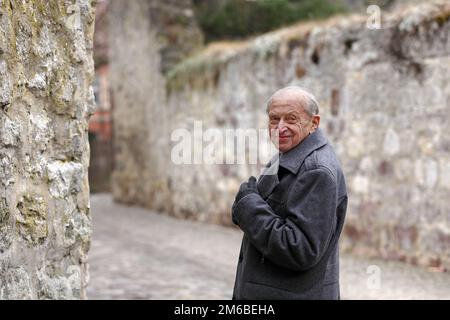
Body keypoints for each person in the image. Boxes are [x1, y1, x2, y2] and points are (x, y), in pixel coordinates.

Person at [231, 86, 348, 300]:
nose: (280, 127)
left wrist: (248, 207)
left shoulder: (316, 170)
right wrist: (248, 205)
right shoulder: (290, 153)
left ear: (314, 123)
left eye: (291, 119)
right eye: (274, 119)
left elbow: (300, 249)